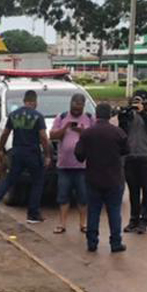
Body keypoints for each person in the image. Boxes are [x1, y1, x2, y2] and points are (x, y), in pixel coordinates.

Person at [0, 90, 51, 224]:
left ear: (24, 101)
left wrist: (0, 149)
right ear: (35, 102)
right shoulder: (38, 116)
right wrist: (47, 155)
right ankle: (33, 214)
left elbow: (5, 134)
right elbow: (43, 137)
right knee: (37, 182)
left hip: (17, 152)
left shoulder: (14, 115)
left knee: (9, 180)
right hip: (32, 153)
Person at [75, 102, 129, 253]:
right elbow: (126, 150)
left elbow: (79, 155)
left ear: (96, 115)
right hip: (114, 178)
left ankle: (92, 243)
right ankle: (115, 243)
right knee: (114, 212)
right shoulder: (118, 133)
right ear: (110, 115)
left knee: (93, 211)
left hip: (93, 178)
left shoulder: (87, 133)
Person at [49, 93, 93, 234]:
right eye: (74, 107)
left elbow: (95, 136)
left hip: (82, 166)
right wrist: (65, 128)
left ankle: (83, 223)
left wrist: (83, 132)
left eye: (79, 108)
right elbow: (52, 135)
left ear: (83, 106)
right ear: (70, 104)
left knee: (83, 197)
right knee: (63, 196)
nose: (76, 110)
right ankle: (62, 224)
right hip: (64, 165)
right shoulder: (61, 117)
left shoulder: (90, 118)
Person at [118, 89, 147, 234]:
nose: (137, 105)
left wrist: (142, 113)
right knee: (133, 192)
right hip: (130, 158)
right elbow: (122, 131)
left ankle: (144, 221)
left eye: (140, 102)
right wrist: (123, 116)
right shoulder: (129, 115)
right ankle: (133, 219)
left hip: (146, 158)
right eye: (135, 102)